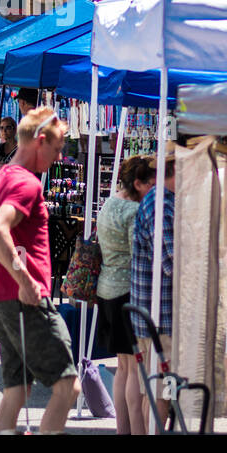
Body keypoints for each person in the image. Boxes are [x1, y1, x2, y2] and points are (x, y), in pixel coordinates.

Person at [0, 107, 78, 433]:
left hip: (4, 303)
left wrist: (5, 282)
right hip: (26, 302)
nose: (59, 154)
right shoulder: (26, 184)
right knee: (68, 386)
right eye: (58, 146)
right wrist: (24, 280)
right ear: (40, 140)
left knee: (16, 392)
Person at [95, 156, 148, 435]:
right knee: (132, 367)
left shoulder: (110, 202)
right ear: (138, 184)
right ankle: (134, 430)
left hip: (106, 287)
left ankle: (121, 430)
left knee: (122, 366)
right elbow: (138, 252)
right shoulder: (131, 211)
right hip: (127, 290)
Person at [129, 153, 176, 429]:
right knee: (161, 394)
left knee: (153, 391)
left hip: (151, 315)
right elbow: (173, 264)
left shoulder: (159, 202)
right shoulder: (162, 206)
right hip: (160, 318)